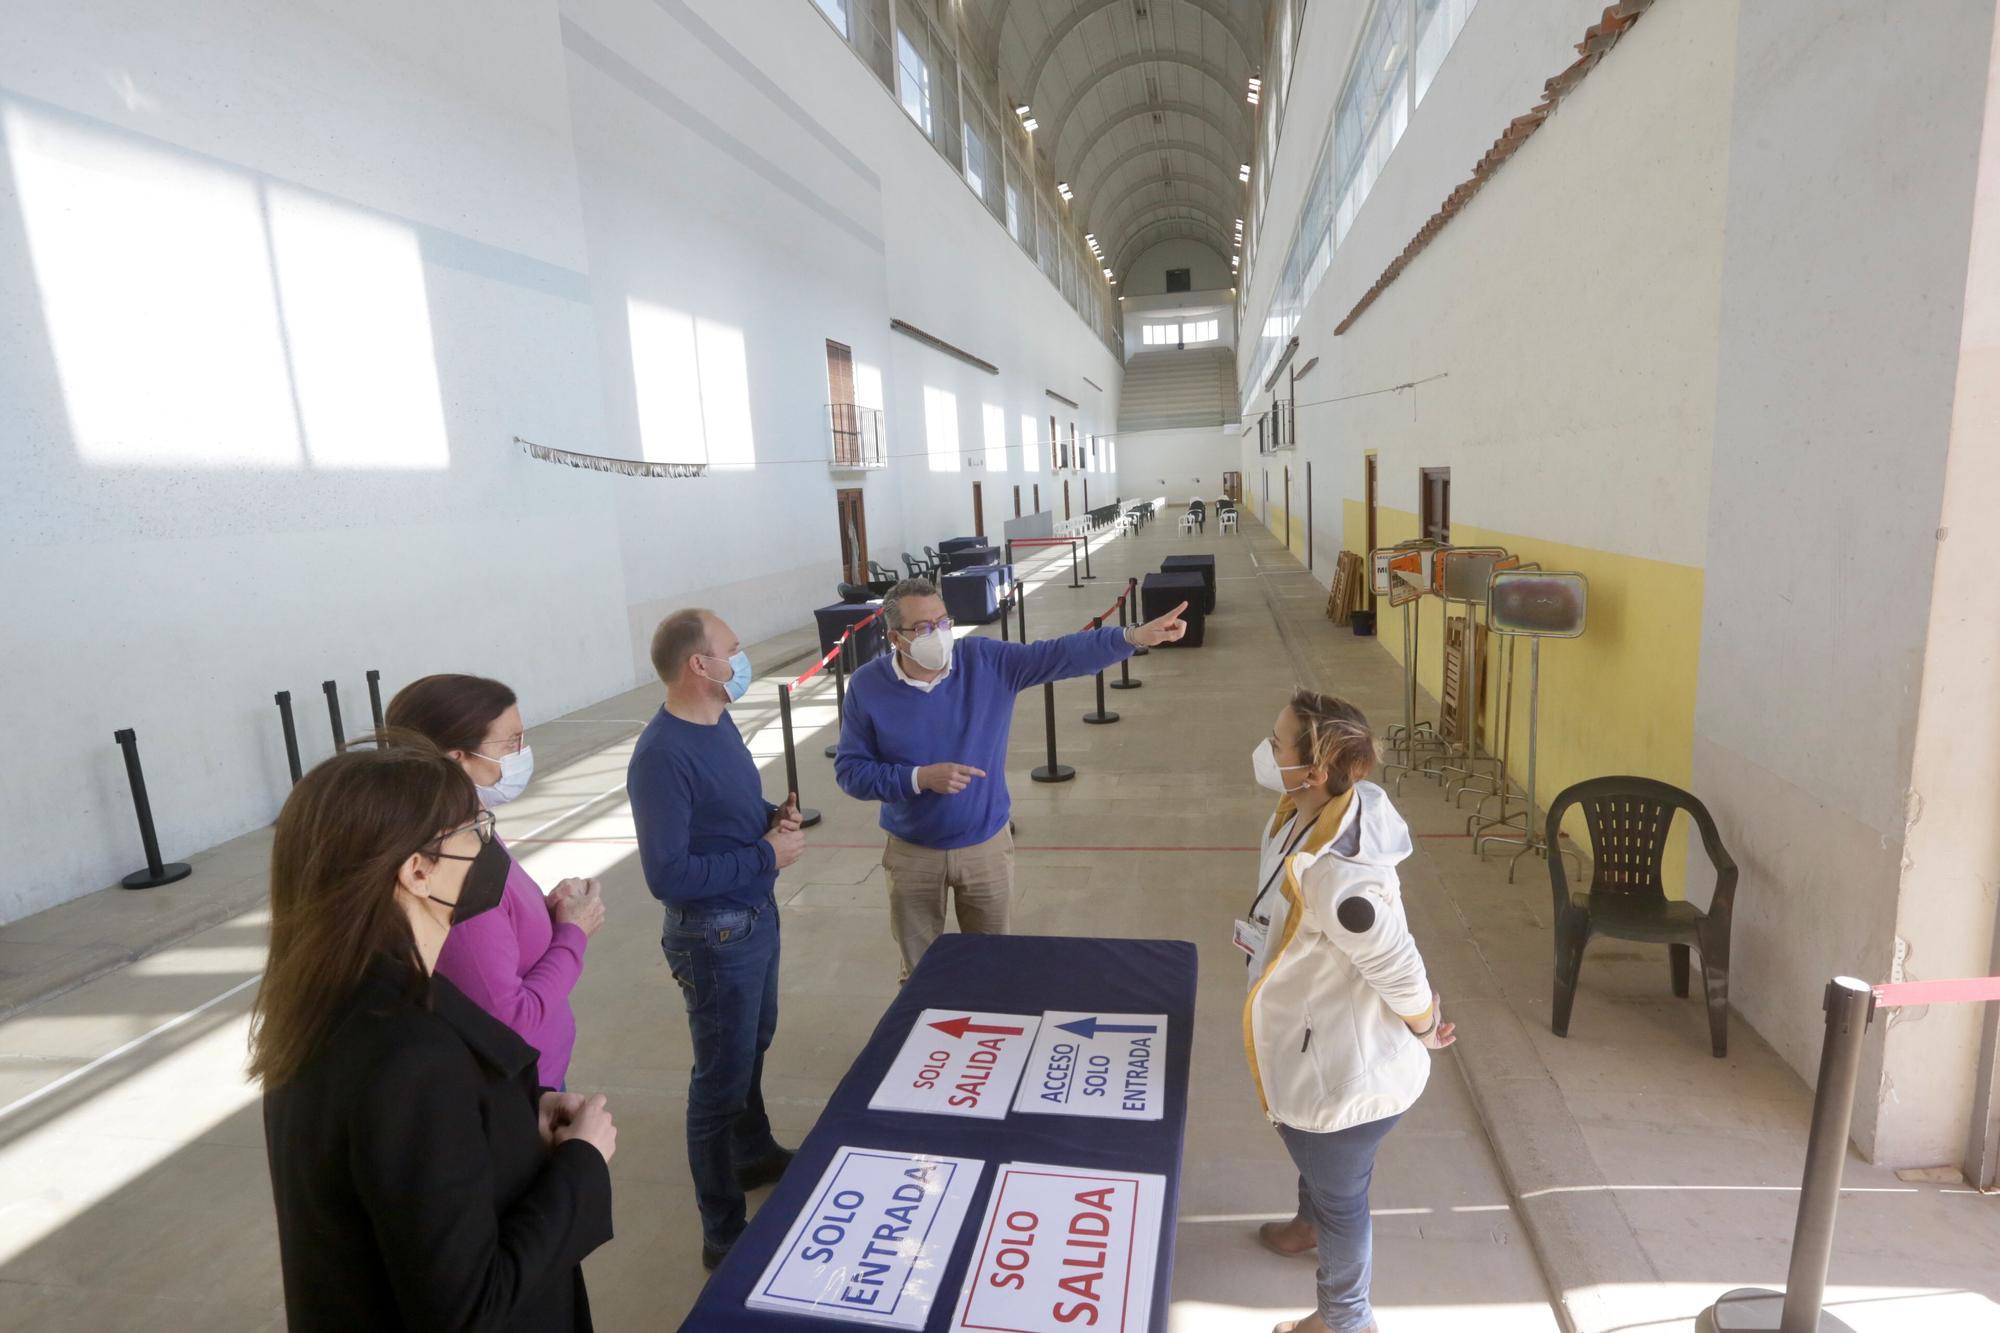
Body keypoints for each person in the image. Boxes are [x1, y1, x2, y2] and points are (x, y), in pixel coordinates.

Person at [252, 741, 617, 1332]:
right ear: (418, 871)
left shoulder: (340, 1000)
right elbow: (468, 1309)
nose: (488, 847)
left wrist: (515, 1120)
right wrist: (582, 1165)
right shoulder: (409, 1056)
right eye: (474, 830)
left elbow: (406, 1178)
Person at [835, 576, 1188, 980]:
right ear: (896, 638)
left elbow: (1060, 654)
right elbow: (851, 773)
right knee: (919, 972)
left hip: (985, 846)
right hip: (912, 853)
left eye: (944, 622)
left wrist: (1132, 635)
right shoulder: (867, 686)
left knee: (993, 964)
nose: (939, 635)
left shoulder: (986, 661)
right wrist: (918, 778)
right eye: (923, 628)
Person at [1239, 691, 1457, 1333]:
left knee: (1343, 1200)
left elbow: (1395, 960)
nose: (1266, 749)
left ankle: (1343, 1319)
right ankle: (1307, 1225)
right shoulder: (1307, 811)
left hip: (1343, 1072)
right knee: (1315, 1160)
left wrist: (1423, 1025)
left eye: (1277, 743)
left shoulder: (1342, 879)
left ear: (1313, 770)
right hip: (1313, 1040)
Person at [628, 608, 804, 1270]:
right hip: (715, 933)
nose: (743, 655)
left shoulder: (719, 719)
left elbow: (729, 811)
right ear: (698, 664)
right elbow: (667, 873)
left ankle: (753, 1149)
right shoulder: (661, 756)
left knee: (753, 1039)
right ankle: (722, 1226)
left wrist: (768, 819)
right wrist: (768, 856)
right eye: (733, 648)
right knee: (718, 1081)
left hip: (755, 914)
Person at [386, 673, 606, 1090]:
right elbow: (511, 1019)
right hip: (524, 1090)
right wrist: (574, 935)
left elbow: (500, 933)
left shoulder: (472, 827)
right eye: (510, 744)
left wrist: (549, 909)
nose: (522, 753)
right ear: (456, 759)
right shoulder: (453, 866)